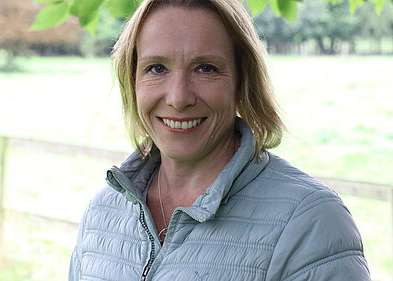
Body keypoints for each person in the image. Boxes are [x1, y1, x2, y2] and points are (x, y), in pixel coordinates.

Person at [69, 0, 371, 280]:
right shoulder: (103, 211)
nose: (179, 98)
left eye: (206, 68)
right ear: (132, 80)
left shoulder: (310, 222)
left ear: (243, 82)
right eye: (156, 68)